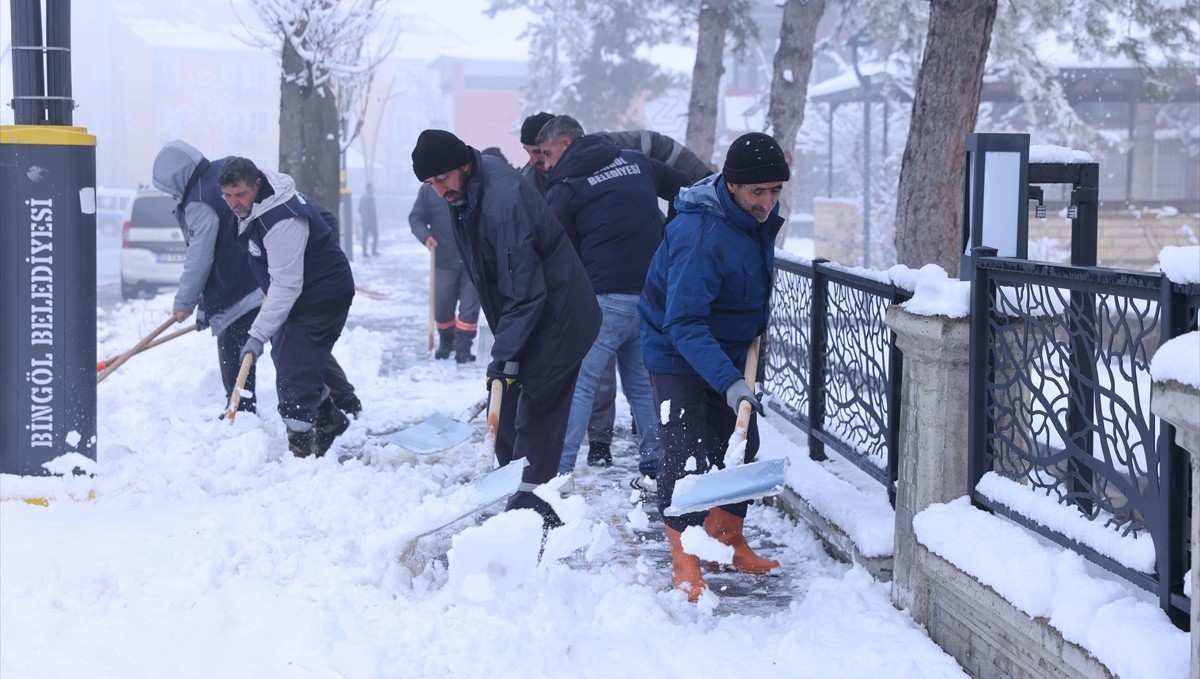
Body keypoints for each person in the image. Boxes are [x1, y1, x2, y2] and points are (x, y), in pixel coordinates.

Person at [411, 129, 601, 527]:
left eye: (442, 179)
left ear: (463, 164)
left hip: (558, 319)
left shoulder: (503, 204)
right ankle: (526, 501)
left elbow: (526, 292)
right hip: (529, 316)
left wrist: (505, 355)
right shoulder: (468, 187)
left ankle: (526, 519)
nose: (438, 190)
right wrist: (507, 354)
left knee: (535, 419)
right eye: (430, 184)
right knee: (509, 409)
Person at [638, 132, 789, 601]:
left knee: (741, 444)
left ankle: (726, 542)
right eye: (758, 192)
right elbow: (682, 320)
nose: (767, 202)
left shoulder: (748, 218)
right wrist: (728, 381)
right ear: (732, 185)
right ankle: (684, 555)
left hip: (724, 348)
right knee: (686, 453)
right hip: (675, 346)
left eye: (775, 191)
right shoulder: (701, 230)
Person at [536, 115, 689, 487]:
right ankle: (656, 463)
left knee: (580, 383)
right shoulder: (635, 162)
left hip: (605, 300)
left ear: (568, 145)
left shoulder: (567, 186)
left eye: (547, 153)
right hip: (651, 295)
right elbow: (683, 188)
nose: (544, 164)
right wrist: (670, 234)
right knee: (640, 383)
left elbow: (557, 251)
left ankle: (559, 473)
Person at [217, 157, 356, 458]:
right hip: (299, 290)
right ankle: (329, 420)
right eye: (226, 195)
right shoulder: (255, 206)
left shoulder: (281, 219)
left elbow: (287, 285)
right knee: (287, 356)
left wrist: (257, 334)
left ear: (257, 184)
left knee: (294, 370)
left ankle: (302, 449)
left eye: (239, 194)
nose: (233, 203)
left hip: (321, 295)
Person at [151, 140, 264, 416]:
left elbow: (200, 256)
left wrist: (185, 301)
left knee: (233, 345)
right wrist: (205, 307)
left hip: (240, 288)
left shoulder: (198, 200)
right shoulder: (220, 170)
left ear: (176, 178)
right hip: (259, 273)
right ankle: (342, 397)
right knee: (296, 345)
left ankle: (241, 410)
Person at [408, 182, 481, 363]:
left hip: (472, 260)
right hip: (443, 260)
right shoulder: (429, 190)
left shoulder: (471, 184)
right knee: (442, 306)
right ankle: (446, 341)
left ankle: (463, 346)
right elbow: (416, 218)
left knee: (469, 307)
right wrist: (425, 236)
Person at [359, 182, 379, 257]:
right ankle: (373, 251)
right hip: (371, 221)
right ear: (369, 188)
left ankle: (364, 252)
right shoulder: (370, 197)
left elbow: (359, 209)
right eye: (372, 187)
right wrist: (374, 219)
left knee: (365, 237)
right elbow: (372, 210)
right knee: (375, 235)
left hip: (364, 220)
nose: (374, 189)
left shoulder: (362, 197)